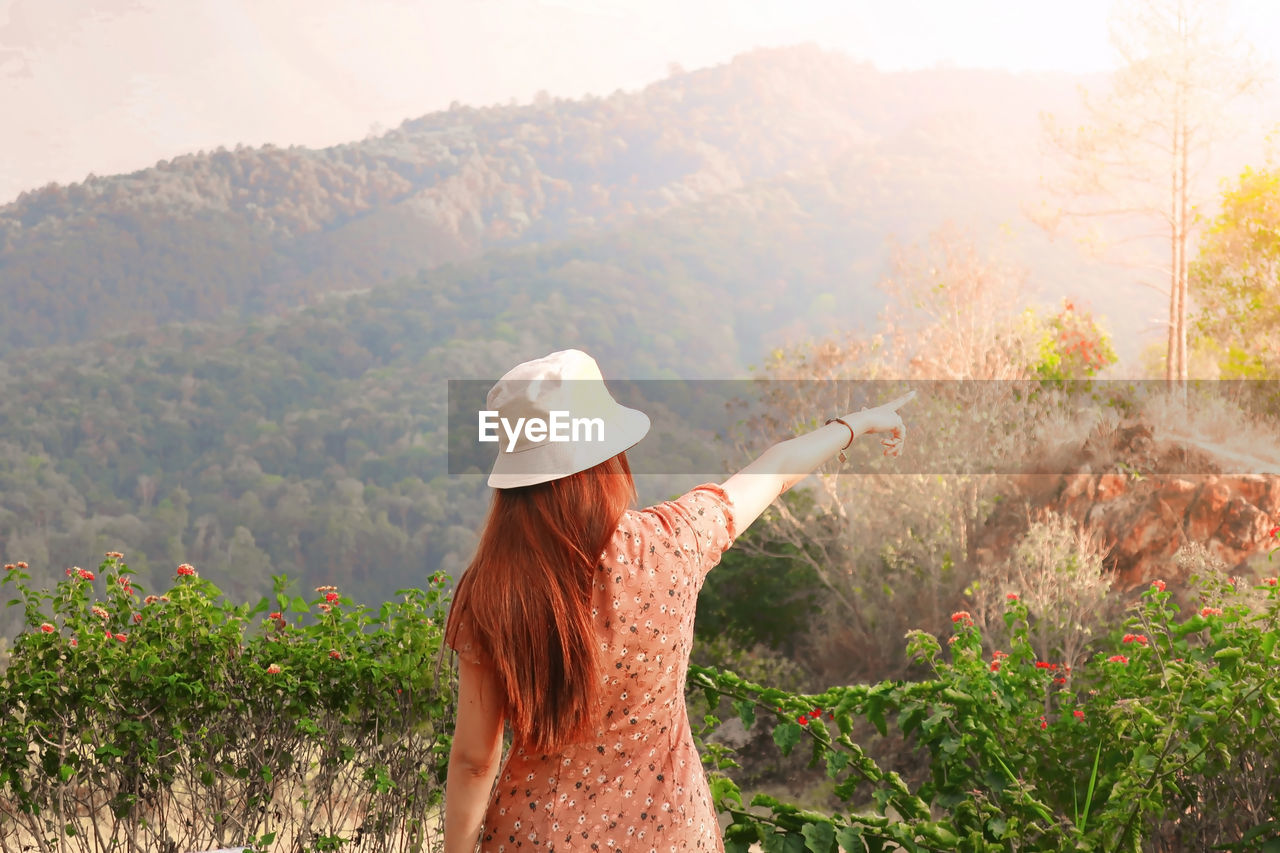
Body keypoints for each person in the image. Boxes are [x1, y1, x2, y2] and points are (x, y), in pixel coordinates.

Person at [443, 349, 912, 852]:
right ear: (607, 458)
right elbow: (774, 471)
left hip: (536, 836)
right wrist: (858, 424)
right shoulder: (672, 541)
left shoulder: (493, 589)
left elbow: (474, 760)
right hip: (669, 834)